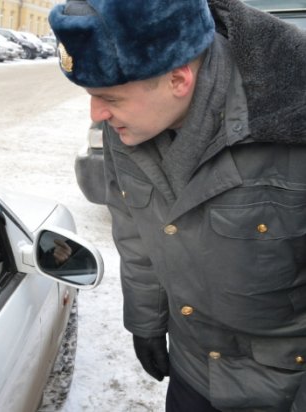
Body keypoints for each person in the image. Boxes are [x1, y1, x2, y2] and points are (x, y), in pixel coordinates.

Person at [49, 0, 306, 411]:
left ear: (178, 79)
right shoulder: (129, 128)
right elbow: (135, 234)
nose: (97, 114)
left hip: (281, 387)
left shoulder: (292, 128)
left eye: (109, 97)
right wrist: (146, 323)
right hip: (192, 370)